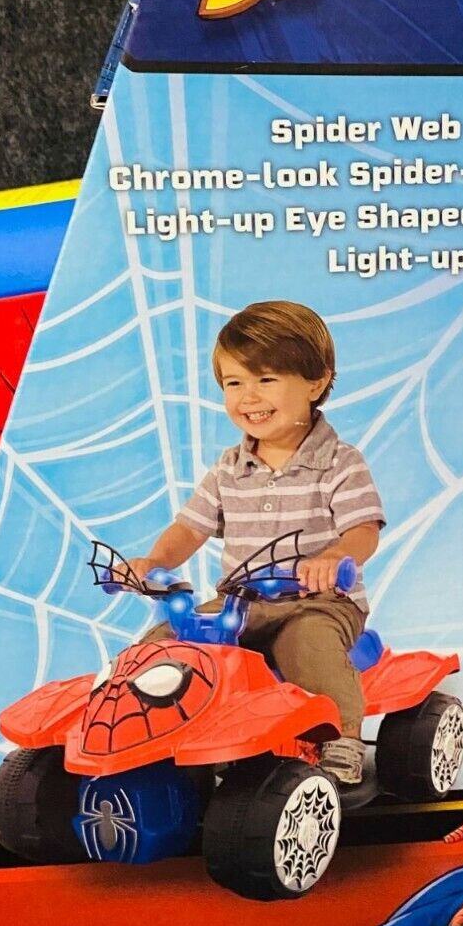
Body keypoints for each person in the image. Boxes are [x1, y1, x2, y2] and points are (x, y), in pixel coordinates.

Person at [127, 300, 384, 785]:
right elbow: (190, 528)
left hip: (319, 601)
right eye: (233, 383)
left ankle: (343, 738)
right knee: (163, 643)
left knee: (306, 646)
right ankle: (145, 729)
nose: (248, 397)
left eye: (266, 379)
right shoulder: (229, 468)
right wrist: (154, 561)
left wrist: (333, 557)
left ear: (316, 382)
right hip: (238, 602)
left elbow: (362, 529)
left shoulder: (340, 462)